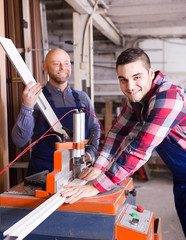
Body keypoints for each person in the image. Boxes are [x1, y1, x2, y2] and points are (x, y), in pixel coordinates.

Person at [61, 48, 186, 237]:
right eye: (123, 79)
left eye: (137, 77)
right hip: (181, 175)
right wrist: (98, 167)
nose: (130, 86)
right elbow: (117, 132)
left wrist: (96, 186)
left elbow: (141, 148)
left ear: (151, 73)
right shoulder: (137, 98)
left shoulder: (169, 97)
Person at [12, 48, 101, 176]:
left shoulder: (82, 98)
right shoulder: (36, 99)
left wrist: (91, 152)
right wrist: (27, 106)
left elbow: (95, 128)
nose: (62, 67)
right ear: (45, 68)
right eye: (56, 63)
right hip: (43, 171)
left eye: (66, 63)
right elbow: (19, 140)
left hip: (77, 169)